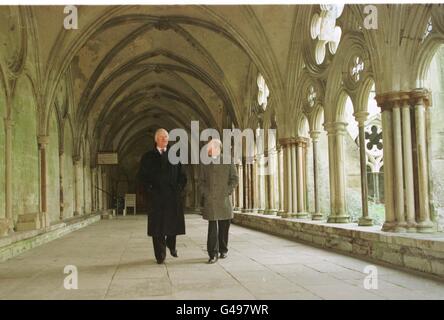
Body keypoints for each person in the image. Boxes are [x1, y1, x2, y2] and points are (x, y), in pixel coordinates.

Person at [137, 128, 187, 264]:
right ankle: (160, 255)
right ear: (156, 140)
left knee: (173, 225)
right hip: (156, 198)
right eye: (161, 137)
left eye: (166, 137)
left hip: (172, 197)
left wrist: (179, 188)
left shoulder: (175, 155)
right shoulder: (148, 157)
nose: (164, 139)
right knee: (157, 228)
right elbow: (142, 177)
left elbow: (182, 176)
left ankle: (171, 244)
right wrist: (150, 190)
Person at [199, 139, 239, 264]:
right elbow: (201, 182)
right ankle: (212, 254)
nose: (207, 150)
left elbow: (235, 179)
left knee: (224, 227)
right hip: (211, 200)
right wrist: (206, 193)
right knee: (212, 228)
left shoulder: (228, 160)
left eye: (209, 147)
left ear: (216, 148)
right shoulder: (205, 163)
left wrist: (227, 191)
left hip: (224, 200)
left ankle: (223, 249)